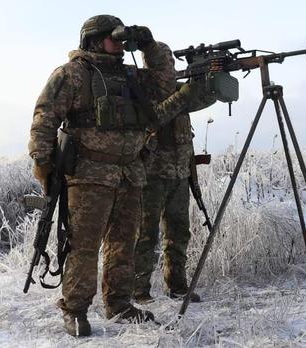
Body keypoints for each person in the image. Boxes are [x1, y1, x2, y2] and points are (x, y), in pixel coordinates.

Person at [28, 14, 203, 337]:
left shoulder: (130, 76)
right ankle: (76, 309)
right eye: (114, 38)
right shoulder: (73, 75)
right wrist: (44, 163)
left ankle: (119, 303)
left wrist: (150, 45)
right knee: (84, 245)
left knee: (123, 243)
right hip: (89, 175)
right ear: (94, 40)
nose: (121, 45)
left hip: (130, 172)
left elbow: (165, 80)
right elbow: (44, 118)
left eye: (123, 40)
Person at [134, 77, 215, 304]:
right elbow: (155, 117)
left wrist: (211, 78)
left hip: (180, 173)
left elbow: (205, 99)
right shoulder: (143, 87)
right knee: (145, 234)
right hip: (152, 174)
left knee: (179, 233)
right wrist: (184, 92)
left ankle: (177, 286)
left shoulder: (180, 90)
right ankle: (139, 290)